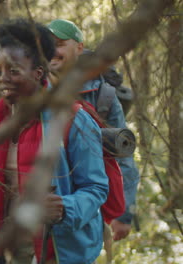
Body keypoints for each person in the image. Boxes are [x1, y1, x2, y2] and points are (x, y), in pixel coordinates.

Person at [0, 18, 109, 264]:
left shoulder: (72, 119)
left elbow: (96, 188)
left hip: (59, 254)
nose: (3, 78)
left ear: (38, 72)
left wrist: (65, 208)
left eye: (13, 70)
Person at [47, 19, 140, 241]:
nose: (51, 51)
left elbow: (123, 159)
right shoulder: (30, 88)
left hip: (85, 212)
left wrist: (123, 214)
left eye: (59, 44)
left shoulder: (103, 96)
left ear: (79, 47)